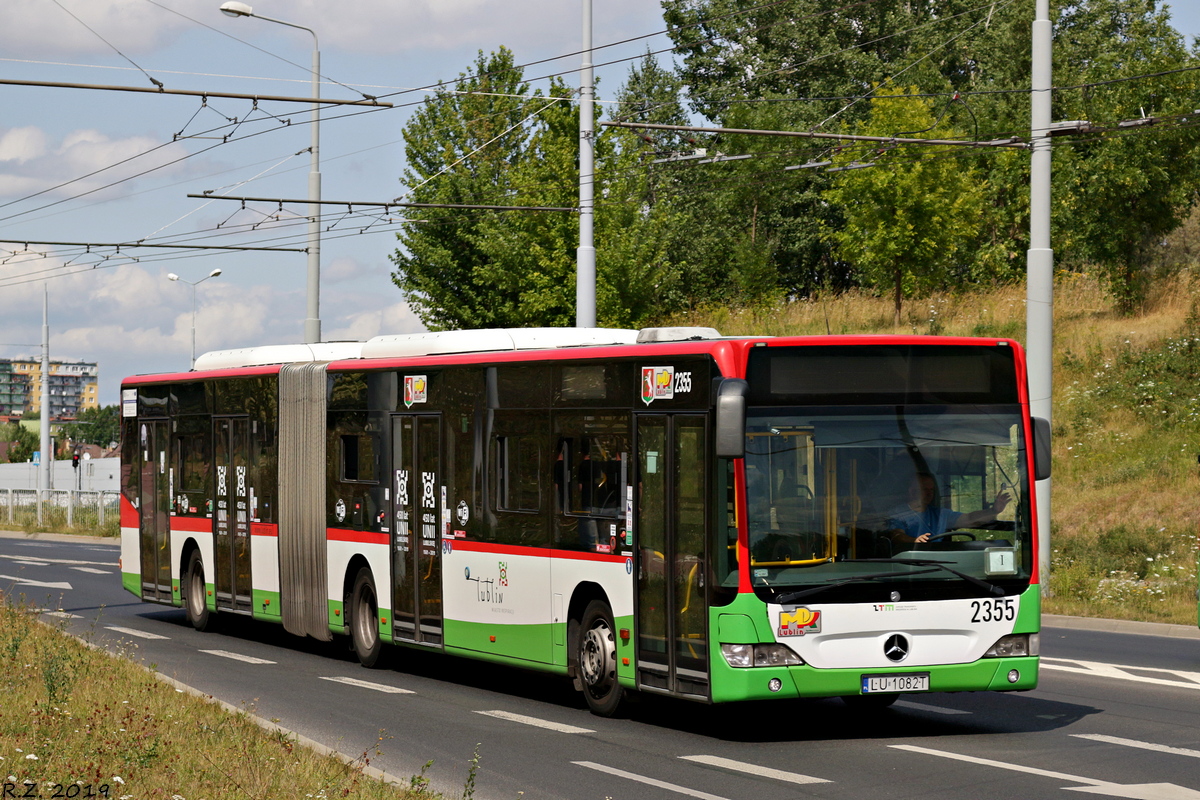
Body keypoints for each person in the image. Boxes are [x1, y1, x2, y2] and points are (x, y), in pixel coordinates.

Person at [886, 472, 1009, 546]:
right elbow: (897, 535)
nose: (929, 494)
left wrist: (993, 511)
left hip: (937, 563)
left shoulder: (939, 514)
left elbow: (969, 518)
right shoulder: (897, 513)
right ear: (912, 491)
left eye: (931, 490)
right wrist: (915, 541)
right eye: (924, 489)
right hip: (908, 563)